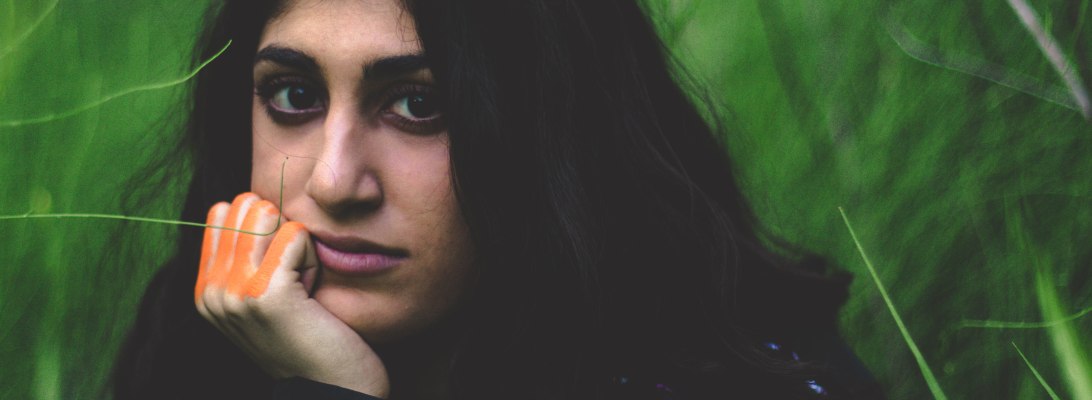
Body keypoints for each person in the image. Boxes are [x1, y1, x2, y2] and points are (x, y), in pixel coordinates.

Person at [112, 0, 884, 398]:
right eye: (293, 94)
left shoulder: (728, 384)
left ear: (556, 132)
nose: (334, 182)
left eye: (420, 106)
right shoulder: (203, 355)